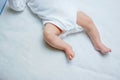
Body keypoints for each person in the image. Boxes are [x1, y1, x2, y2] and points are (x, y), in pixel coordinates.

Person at [8, 0, 111, 60]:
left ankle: (98, 43)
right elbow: (17, 7)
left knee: (88, 22)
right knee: (47, 34)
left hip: (71, 12)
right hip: (53, 19)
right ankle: (66, 47)